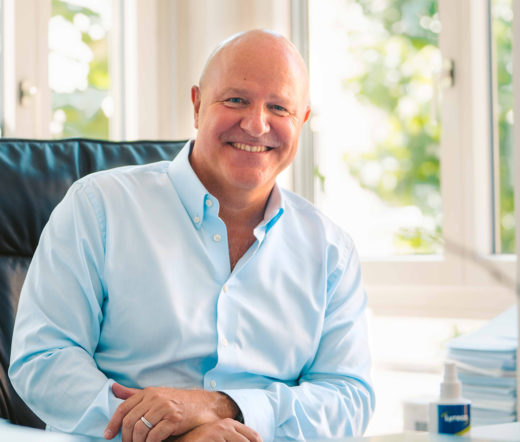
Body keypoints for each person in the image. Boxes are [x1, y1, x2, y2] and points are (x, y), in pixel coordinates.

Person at [9, 29, 374, 442]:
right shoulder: (99, 207)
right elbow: (43, 360)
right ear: (197, 106)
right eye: (236, 99)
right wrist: (166, 432)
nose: (256, 124)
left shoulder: (331, 251)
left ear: (302, 121)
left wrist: (221, 406)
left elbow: (348, 398)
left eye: (279, 107)